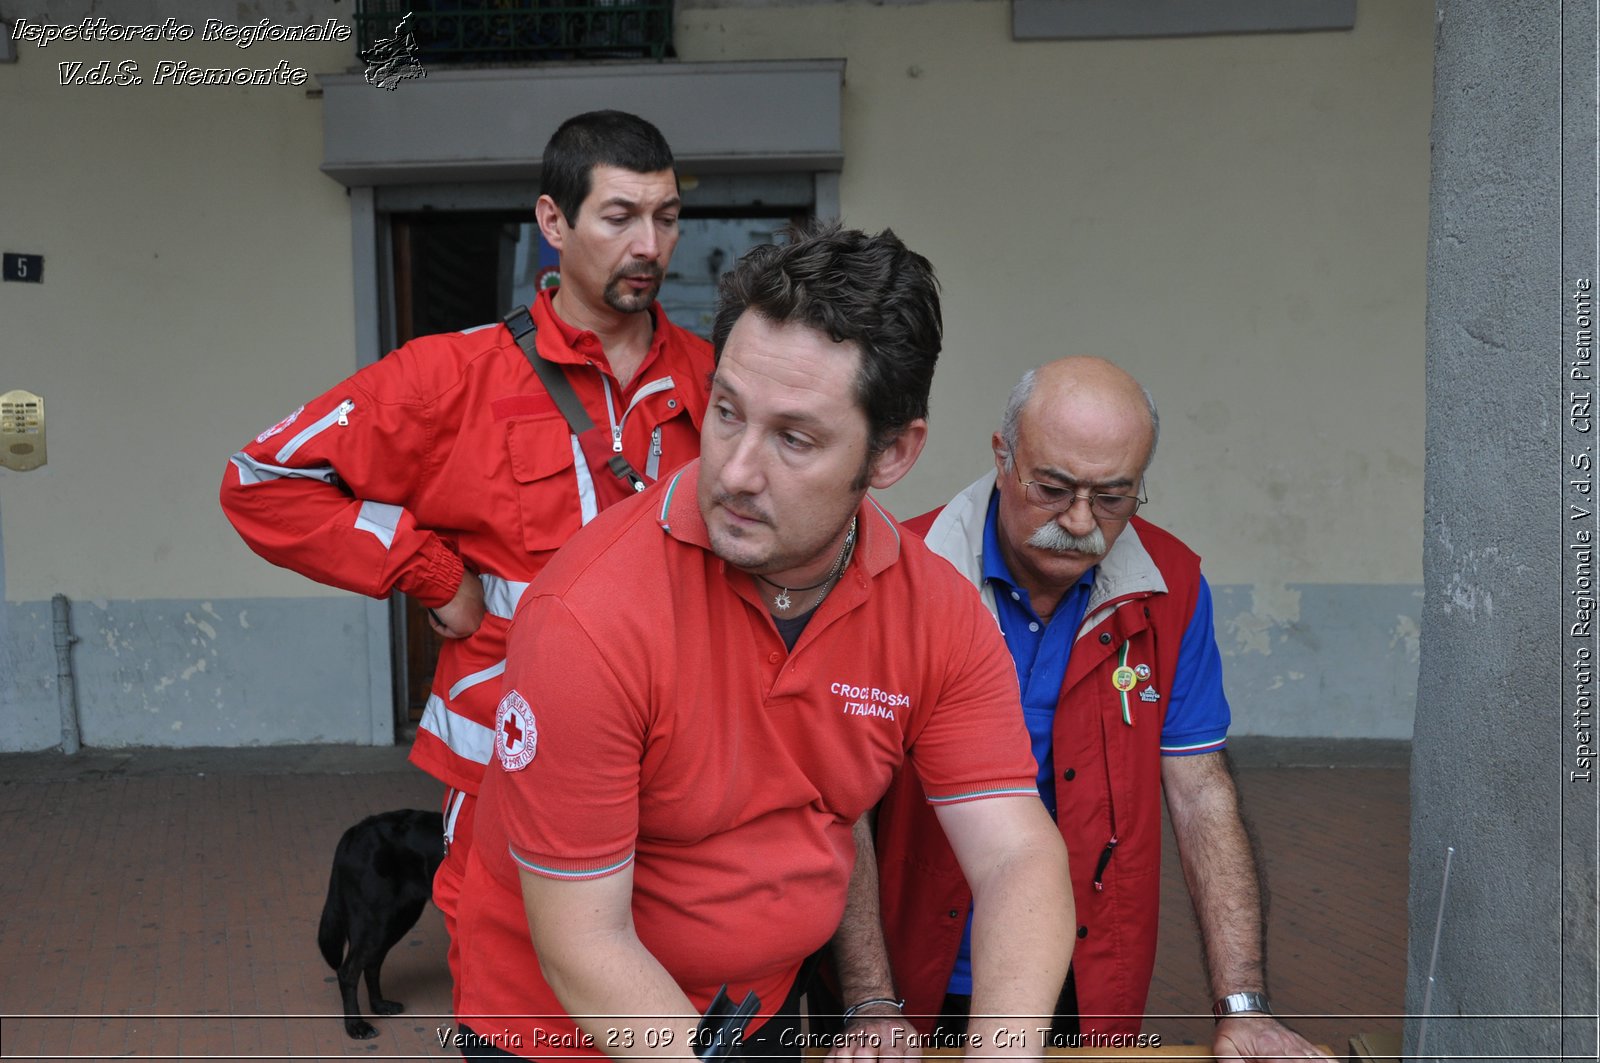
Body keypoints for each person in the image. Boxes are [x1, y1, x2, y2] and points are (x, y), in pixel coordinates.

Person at [450, 223, 1074, 1061]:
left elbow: (1016, 857)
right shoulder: (588, 617)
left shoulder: (936, 613)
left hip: (752, 1007)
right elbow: (583, 944)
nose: (736, 471)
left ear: (893, 453)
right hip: (558, 1028)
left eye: (794, 437)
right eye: (727, 410)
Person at [218, 110, 712, 1008]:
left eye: (668, 216)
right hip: (510, 760)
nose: (651, 244)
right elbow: (261, 477)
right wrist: (429, 570)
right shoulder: (450, 377)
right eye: (620, 216)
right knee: (517, 979)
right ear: (553, 223)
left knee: (668, 972)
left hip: (679, 755)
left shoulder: (716, 382)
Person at [859, 358, 1330, 1061]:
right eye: (1052, 488)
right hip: (915, 969)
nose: (1079, 521)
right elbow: (835, 807)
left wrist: (1243, 1005)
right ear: (1002, 455)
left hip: (1089, 971)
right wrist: (869, 999)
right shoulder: (898, 573)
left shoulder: (1170, 588)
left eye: (1112, 496)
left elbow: (1201, 793)